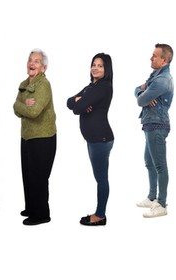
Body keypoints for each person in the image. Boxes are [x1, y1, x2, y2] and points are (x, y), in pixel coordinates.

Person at [67, 53, 114, 226]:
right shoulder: (91, 86)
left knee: (101, 179)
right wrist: (79, 101)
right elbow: (69, 102)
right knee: (99, 177)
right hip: (94, 139)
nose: (95, 68)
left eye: (100, 66)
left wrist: (80, 102)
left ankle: (100, 215)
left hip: (100, 139)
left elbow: (77, 107)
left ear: (106, 69)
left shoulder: (103, 87)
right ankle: (99, 212)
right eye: (94, 64)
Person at [14, 49, 57, 226]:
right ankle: (31, 207)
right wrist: (21, 104)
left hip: (43, 137)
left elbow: (34, 111)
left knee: (39, 176)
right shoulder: (24, 83)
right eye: (30, 60)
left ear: (44, 68)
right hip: (27, 136)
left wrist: (21, 105)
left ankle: (41, 214)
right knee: (28, 174)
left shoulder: (43, 85)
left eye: (37, 61)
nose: (32, 63)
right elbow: (15, 108)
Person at [134, 43, 174, 218]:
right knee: (149, 162)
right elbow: (137, 91)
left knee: (159, 165)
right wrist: (141, 93)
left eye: (155, 56)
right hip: (150, 124)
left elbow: (141, 101)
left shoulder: (162, 81)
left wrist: (143, 95)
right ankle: (152, 197)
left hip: (157, 125)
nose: (151, 58)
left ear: (164, 60)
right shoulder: (155, 77)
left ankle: (162, 203)